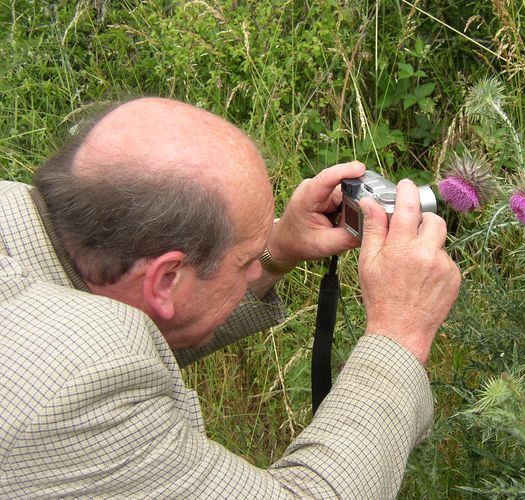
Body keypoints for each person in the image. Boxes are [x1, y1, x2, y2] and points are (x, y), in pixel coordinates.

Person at [0, 97, 461, 498]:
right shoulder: (74, 389)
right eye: (245, 263)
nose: (257, 268)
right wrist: (399, 332)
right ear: (165, 279)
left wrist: (276, 249)